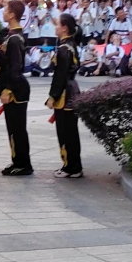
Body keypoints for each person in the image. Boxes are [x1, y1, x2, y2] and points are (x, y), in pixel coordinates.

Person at [0, 0, 33, 176]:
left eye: (5, 9)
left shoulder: (15, 38)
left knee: (18, 128)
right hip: (12, 86)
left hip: (17, 90)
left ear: (12, 15)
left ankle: (24, 164)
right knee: (12, 128)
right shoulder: (10, 35)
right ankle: (17, 161)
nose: (3, 12)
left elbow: (16, 67)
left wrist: (8, 89)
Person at [46, 13, 83, 178]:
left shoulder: (64, 49)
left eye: (57, 24)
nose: (55, 27)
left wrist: (53, 96)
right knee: (70, 130)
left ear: (64, 28)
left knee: (66, 131)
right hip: (71, 89)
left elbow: (60, 75)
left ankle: (71, 167)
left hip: (65, 93)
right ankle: (73, 165)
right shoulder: (70, 45)